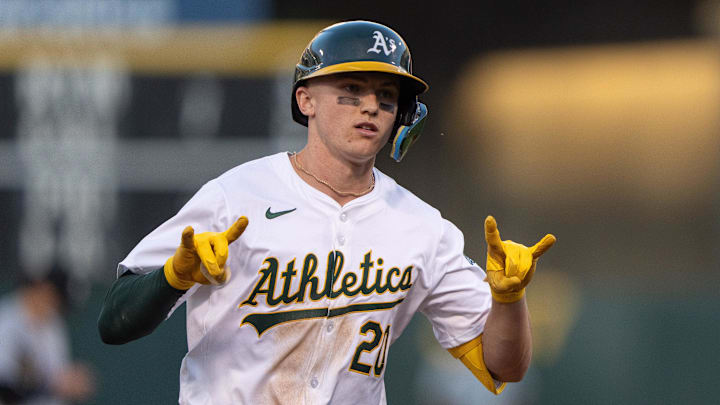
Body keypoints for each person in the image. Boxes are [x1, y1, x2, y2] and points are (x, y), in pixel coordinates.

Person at [98, 20, 556, 404]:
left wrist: (509, 302)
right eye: (351, 89)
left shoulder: (422, 227)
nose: (371, 105)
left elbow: (505, 367)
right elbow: (115, 322)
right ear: (305, 100)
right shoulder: (236, 195)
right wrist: (173, 277)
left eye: (387, 96)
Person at [0, 266, 95, 405]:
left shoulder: (54, 324)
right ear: (42, 288)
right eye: (56, 298)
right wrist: (51, 385)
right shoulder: (6, 320)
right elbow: (5, 386)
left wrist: (72, 382)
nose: (57, 306)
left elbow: (58, 377)